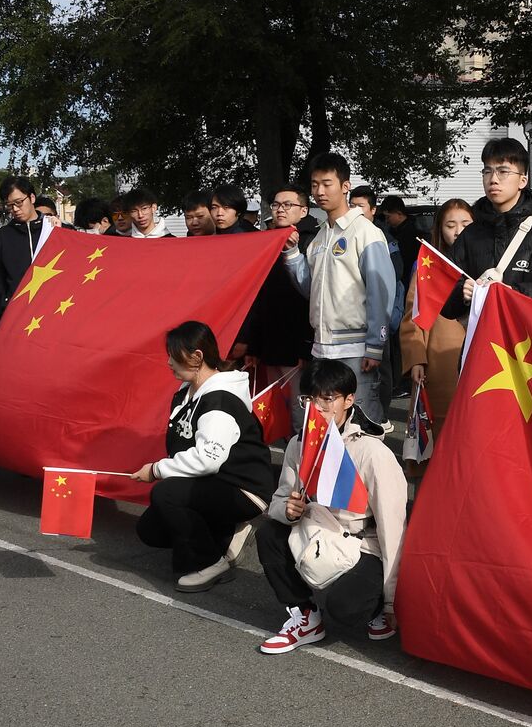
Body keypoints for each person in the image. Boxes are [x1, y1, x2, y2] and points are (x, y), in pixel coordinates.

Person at [255, 359, 407, 653]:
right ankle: (306, 616)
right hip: (316, 534)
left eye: (328, 399)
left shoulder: (372, 452)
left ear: (349, 400)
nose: (318, 407)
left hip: (363, 546)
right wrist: (287, 510)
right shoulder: (299, 444)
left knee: (345, 609)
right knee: (269, 534)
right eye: (310, 398)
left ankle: (373, 605)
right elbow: (278, 500)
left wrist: (391, 600)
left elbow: (394, 529)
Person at [131, 321, 276, 590]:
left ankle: (210, 563)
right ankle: (225, 532)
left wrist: (156, 470)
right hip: (214, 484)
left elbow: (209, 459)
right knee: (150, 530)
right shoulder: (186, 392)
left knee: (166, 493)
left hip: (243, 488)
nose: (168, 362)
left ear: (197, 357)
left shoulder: (219, 400)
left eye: (174, 355)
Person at [282, 153, 396, 424]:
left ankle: (374, 467)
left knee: (363, 420)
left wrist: (375, 346)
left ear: (345, 186)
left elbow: (380, 290)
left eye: (327, 183)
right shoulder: (321, 236)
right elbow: (311, 289)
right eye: (314, 185)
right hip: (322, 348)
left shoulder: (365, 231)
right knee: (329, 424)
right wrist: (293, 255)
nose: (319, 192)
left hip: (356, 348)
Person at [439, 138, 532, 322]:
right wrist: (462, 293)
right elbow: (442, 302)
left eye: (503, 171)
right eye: (487, 171)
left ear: (522, 181)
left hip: (529, 344)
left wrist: (514, 293)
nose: (493, 179)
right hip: (483, 343)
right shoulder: (470, 235)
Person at [230, 184, 313, 409]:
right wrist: (254, 346)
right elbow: (259, 298)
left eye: (288, 205)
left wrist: (306, 347)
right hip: (269, 341)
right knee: (275, 409)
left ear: (304, 210)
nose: (280, 210)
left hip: (300, 343)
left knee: (300, 410)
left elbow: (312, 297)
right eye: (276, 205)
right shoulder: (266, 240)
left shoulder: (313, 241)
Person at [400, 198, 473, 425]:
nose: (458, 231)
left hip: (480, 355)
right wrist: (416, 359)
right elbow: (413, 317)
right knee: (440, 426)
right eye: (450, 226)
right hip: (439, 362)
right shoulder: (428, 269)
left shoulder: (489, 265)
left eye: (466, 224)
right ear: (440, 230)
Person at [350, 185, 404, 415]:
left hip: (380, 315)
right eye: (351, 206)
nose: (355, 211)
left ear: (373, 209)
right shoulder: (344, 233)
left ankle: (382, 414)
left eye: (360, 207)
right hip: (354, 321)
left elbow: (396, 272)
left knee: (382, 366)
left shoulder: (382, 237)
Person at [0, 176, 48, 327]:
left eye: (18, 202)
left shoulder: (54, 230)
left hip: (54, 312)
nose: (15, 209)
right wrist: (1, 314)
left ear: (32, 198)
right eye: (9, 205)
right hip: (16, 318)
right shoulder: (1, 237)